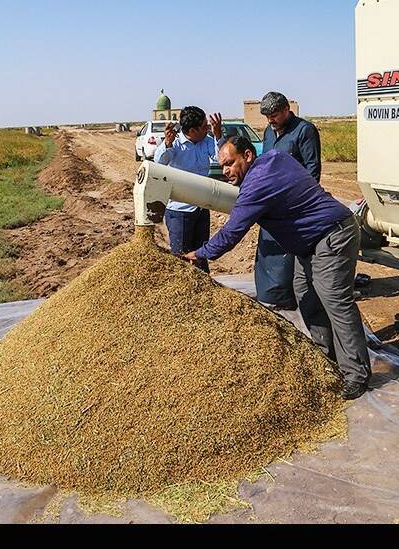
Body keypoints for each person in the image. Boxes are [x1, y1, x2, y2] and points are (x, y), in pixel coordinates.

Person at [184, 136, 371, 400]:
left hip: (332, 235)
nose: (225, 171)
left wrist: (198, 253)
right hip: (309, 241)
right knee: (304, 293)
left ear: (248, 155)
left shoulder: (256, 186)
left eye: (230, 163)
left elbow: (231, 233)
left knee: (335, 301)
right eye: (222, 165)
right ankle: (326, 357)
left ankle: (356, 375)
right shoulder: (275, 158)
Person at [255, 92, 323, 311]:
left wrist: (300, 201)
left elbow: (313, 169)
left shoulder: (304, 131)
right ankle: (272, 295)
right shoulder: (268, 132)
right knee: (270, 251)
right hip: (272, 203)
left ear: (286, 110)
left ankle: (291, 298)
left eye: (274, 115)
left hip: (295, 204)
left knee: (291, 257)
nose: (271, 121)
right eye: (267, 117)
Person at [154, 106, 223, 273]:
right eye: (205, 126)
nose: (208, 128)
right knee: (181, 259)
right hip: (179, 212)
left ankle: (205, 292)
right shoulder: (175, 143)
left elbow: (220, 157)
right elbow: (159, 163)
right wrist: (167, 144)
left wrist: (218, 135)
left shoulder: (206, 141)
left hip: (201, 208)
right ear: (192, 130)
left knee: (200, 255)